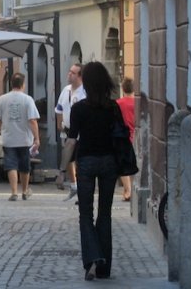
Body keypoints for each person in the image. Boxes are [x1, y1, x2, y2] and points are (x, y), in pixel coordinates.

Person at [57, 61, 121, 281]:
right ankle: (104, 267)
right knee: (105, 213)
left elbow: (71, 141)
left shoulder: (79, 109)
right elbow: (120, 137)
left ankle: (92, 259)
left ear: (86, 81)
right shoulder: (113, 107)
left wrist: (62, 170)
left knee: (85, 213)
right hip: (109, 163)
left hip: (86, 163)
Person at [0, 72, 40, 202]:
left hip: (8, 138)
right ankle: (24, 191)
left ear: (11, 83)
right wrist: (36, 138)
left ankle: (14, 192)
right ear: (23, 85)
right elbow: (32, 120)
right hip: (24, 139)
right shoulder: (28, 99)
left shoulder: (3, 99)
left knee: (11, 165)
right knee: (25, 166)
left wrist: (0, 128)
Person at [55, 63, 86, 201]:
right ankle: (74, 185)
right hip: (67, 130)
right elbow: (59, 109)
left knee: (80, 161)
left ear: (80, 76)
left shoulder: (84, 92)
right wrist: (59, 124)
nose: (69, 74)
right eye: (69, 71)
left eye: (73, 73)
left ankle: (81, 190)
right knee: (68, 158)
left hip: (81, 133)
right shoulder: (66, 90)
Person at [116, 77, 135, 202]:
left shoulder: (118, 103)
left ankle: (127, 190)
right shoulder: (137, 103)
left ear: (122, 88)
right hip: (135, 135)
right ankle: (132, 189)